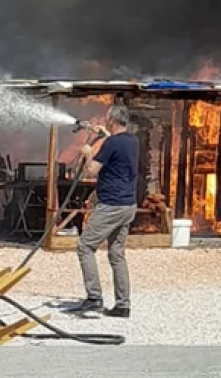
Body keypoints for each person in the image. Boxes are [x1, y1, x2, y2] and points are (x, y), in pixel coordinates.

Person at [68, 105, 139, 318]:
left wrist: (87, 153)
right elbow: (116, 147)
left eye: (107, 119)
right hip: (128, 205)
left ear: (112, 121)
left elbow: (91, 172)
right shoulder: (132, 141)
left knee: (85, 246)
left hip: (111, 206)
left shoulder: (111, 144)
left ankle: (94, 298)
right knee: (117, 254)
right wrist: (103, 135)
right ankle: (123, 304)